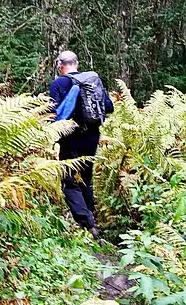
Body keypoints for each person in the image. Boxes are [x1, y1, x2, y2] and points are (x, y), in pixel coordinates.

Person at [50, 51, 114, 239]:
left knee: (69, 181)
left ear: (60, 65)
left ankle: (87, 224)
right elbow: (108, 107)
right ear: (76, 64)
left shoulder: (59, 83)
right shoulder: (93, 80)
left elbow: (53, 113)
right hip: (92, 136)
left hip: (71, 138)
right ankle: (91, 219)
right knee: (86, 177)